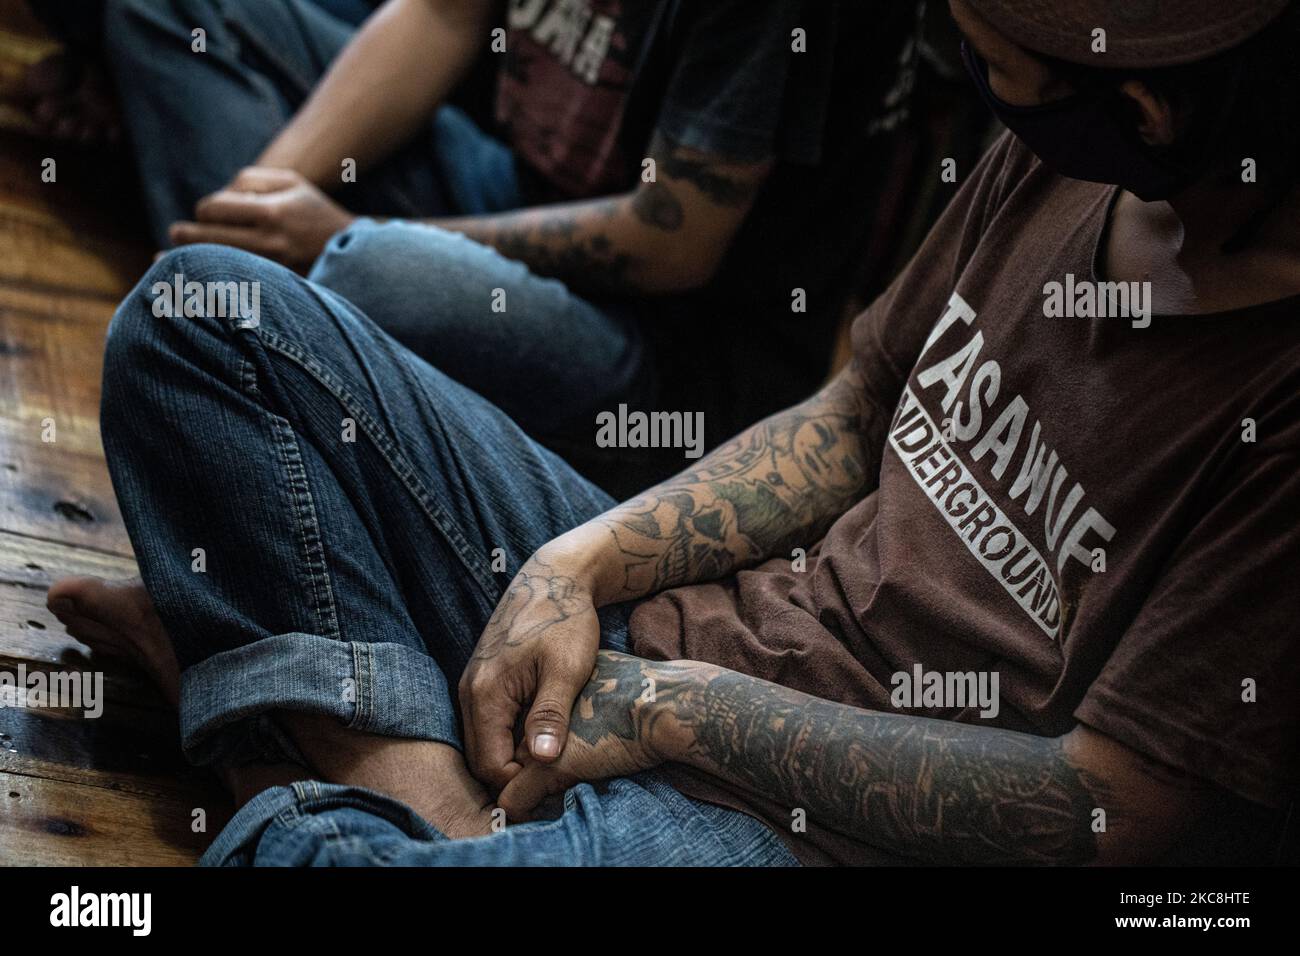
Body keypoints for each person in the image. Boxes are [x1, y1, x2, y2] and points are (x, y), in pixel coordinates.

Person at [49, 0, 1299, 865]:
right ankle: (371, 750)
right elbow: (852, 417)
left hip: (816, 824)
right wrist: (572, 566)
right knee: (199, 318)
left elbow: (1105, 808)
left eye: (997, 65)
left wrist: (675, 711)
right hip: (690, 632)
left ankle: (267, 717)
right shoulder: (1066, 165)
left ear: (1140, 106)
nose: (975, 82)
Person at [24, 0, 918, 485]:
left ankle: (248, 373)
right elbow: (443, 16)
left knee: (371, 271)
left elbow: (669, 243)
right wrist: (254, 209)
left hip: (662, 353)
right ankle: (249, 329)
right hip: (505, 185)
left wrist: (344, 232)